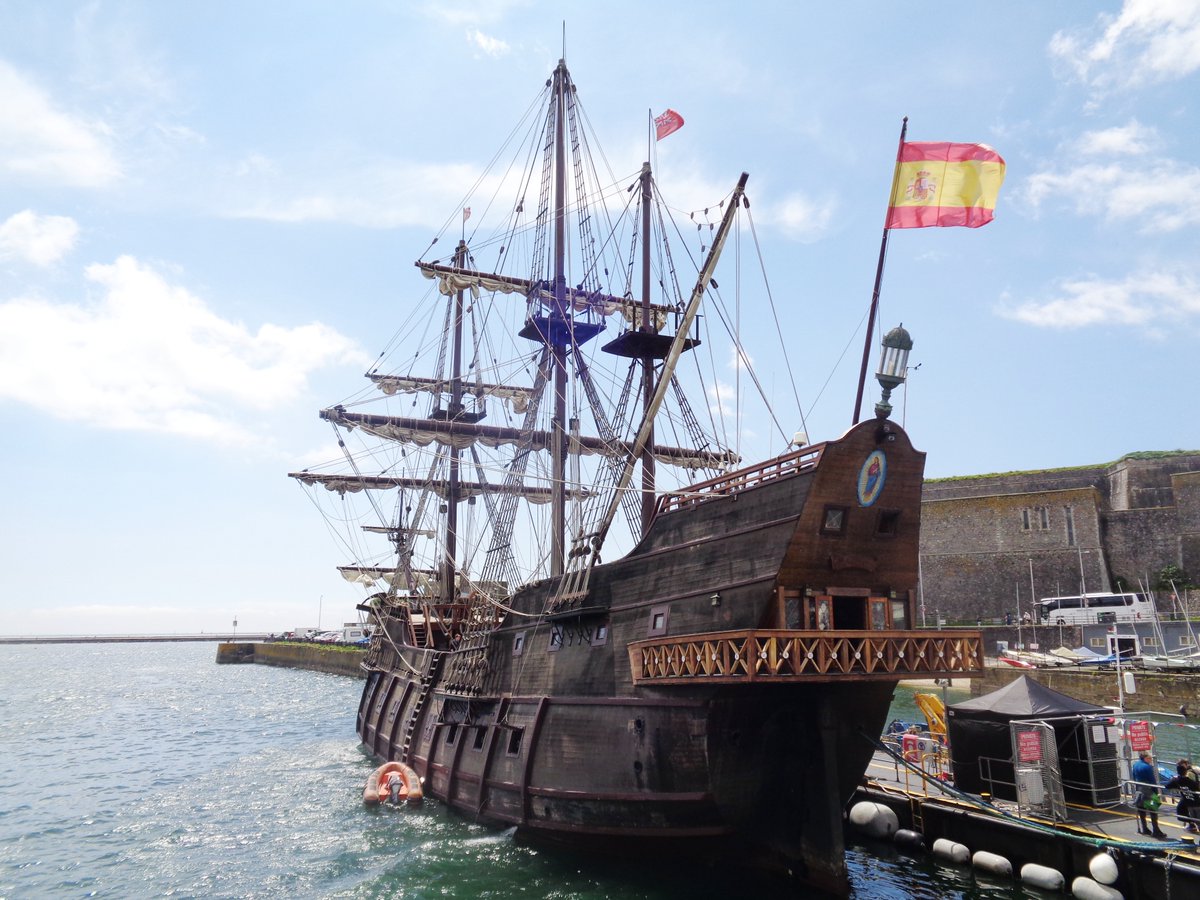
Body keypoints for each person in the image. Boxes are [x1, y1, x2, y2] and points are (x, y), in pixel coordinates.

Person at [1131, 751, 1167, 837]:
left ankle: (1144, 828)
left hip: (1139, 789)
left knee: (1141, 809)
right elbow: (1152, 780)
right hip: (1148, 791)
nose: (1151, 760)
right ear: (1145, 758)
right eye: (1150, 758)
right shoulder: (1148, 767)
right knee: (1153, 809)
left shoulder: (1135, 765)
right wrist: (1156, 792)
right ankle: (1156, 830)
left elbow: (1134, 777)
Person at [1165, 758, 1200, 833]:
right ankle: (1191, 824)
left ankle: (1192, 824)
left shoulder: (1192, 771)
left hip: (1191, 797)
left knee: (1196, 817)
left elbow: (1167, 786)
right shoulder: (1186, 778)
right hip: (1190, 797)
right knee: (1184, 812)